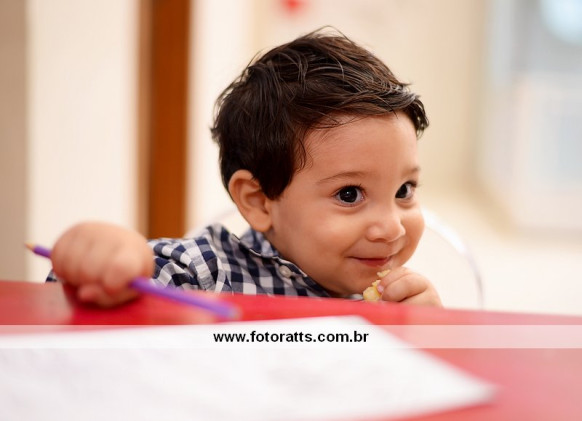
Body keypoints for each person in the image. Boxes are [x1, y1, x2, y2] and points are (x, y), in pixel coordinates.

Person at [48, 28, 442, 308]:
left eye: (403, 190)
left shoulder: (388, 301)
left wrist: (428, 338)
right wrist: (110, 257)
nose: (392, 228)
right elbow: (87, 303)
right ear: (259, 201)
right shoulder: (207, 276)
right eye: (349, 194)